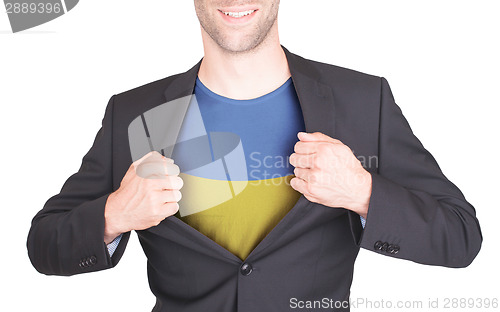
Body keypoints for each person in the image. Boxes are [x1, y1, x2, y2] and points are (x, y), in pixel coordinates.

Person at [27, 1, 482, 311]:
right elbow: (44, 245)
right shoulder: (135, 113)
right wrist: (114, 214)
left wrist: (363, 192)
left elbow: (460, 236)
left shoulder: (362, 101)